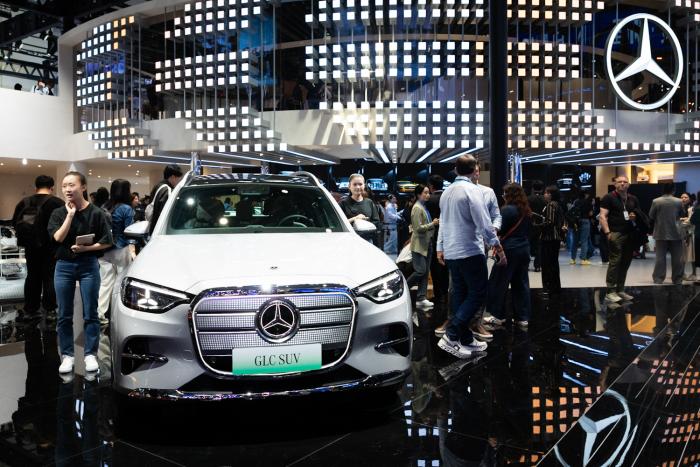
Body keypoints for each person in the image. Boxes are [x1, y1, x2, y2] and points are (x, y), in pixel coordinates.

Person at [436, 155, 506, 359]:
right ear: (475, 169)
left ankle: (465, 338)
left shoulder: (446, 192)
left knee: (460, 293)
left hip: (452, 252)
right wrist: (498, 246)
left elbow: (443, 223)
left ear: (456, 169)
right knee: (478, 293)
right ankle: (452, 333)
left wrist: (440, 246)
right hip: (470, 250)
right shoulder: (472, 190)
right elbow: (484, 223)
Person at [48, 172, 113, 375]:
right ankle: (67, 355)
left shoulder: (96, 213)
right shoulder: (58, 213)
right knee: (64, 314)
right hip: (64, 266)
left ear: (83, 187)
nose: (67, 189)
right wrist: (69, 215)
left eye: (71, 185)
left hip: (88, 265)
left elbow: (107, 241)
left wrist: (87, 248)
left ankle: (90, 354)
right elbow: (58, 238)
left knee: (91, 312)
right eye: (64, 186)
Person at [11, 175, 64, 321]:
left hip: (30, 246)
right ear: (52, 187)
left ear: (36, 187)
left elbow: (15, 223)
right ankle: (50, 310)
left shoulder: (24, 202)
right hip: (51, 247)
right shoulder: (57, 203)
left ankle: (30, 309)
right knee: (49, 277)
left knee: (32, 276)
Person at [483, 183, 532, 329]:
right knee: (521, 283)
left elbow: (498, 229)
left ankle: (498, 316)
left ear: (509, 195)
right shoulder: (526, 210)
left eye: (504, 193)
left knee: (498, 282)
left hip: (508, 250)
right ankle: (522, 317)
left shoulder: (506, 210)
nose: (503, 196)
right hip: (524, 248)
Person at [96, 179, 135, 325]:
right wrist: (132, 249)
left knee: (105, 282)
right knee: (121, 282)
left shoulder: (104, 207)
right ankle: (119, 314)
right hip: (121, 249)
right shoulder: (126, 208)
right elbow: (130, 231)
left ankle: (99, 313)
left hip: (104, 248)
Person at [599, 175, 640, 302]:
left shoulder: (633, 198)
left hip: (630, 234)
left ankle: (620, 290)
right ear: (615, 184)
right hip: (615, 233)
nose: (622, 183)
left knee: (626, 262)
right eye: (620, 182)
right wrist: (607, 233)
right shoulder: (608, 197)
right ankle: (610, 291)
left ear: (629, 184)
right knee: (615, 262)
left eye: (625, 182)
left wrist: (634, 217)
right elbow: (602, 216)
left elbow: (638, 214)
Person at [407, 184, 439, 310]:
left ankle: (421, 298)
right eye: (425, 193)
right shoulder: (417, 208)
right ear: (418, 194)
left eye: (428, 192)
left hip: (427, 243)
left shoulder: (423, 206)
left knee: (425, 272)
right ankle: (404, 287)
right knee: (420, 271)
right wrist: (433, 224)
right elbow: (418, 228)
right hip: (419, 245)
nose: (428, 195)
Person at [648, 183, 684, 285]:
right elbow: (682, 214)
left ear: (663, 190)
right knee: (677, 258)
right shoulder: (679, 201)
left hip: (660, 232)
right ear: (673, 190)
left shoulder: (656, 201)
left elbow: (651, 215)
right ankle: (677, 279)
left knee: (660, 258)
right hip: (676, 232)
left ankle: (658, 278)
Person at [426, 175, 449, 315]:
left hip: (433, 236)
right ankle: (446, 293)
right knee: (446, 266)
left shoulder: (429, 200)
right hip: (449, 236)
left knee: (435, 267)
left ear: (431, 186)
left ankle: (439, 295)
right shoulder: (448, 197)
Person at [540, 185, 565, 295]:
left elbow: (549, 222)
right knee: (554, 263)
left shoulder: (550, 205)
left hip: (548, 238)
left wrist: (538, 225)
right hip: (555, 238)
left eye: (546, 192)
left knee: (547, 264)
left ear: (551, 194)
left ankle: (548, 288)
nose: (544, 194)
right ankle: (555, 287)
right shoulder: (558, 205)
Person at [148, 164, 184, 235]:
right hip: (161, 231)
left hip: (153, 228)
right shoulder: (167, 190)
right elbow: (164, 214)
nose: (179, 182)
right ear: (173, 177)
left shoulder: (158, 186)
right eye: (179, 179)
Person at [569, 190, 594, 265]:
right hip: (585, 221)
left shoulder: (576, 202)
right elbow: (590, 214)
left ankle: (572, 259)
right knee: (584, 241)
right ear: (585, 195)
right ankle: (583, 259)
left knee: (575, 241)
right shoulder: (588, 202)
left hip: (576, 222)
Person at [528, 181, 546, 272]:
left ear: (532, 188)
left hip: (530, 225)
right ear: (542, 189)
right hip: (541, 226)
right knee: (540, 245)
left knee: (527, 244)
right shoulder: (545, 200)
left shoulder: (528, 199)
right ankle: (538, 266)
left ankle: (526, 265)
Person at [680, 192, 696, 281]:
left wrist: (682, 220)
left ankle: (694, 273)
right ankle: (682, 273)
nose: (683, 199)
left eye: (685, 197)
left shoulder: (692, 208)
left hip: (690, 233)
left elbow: (691, 221)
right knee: (682, 254)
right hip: (682, 233)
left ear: (689, 199)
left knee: (692, 254)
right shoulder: (679, 208)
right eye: (682, 197)